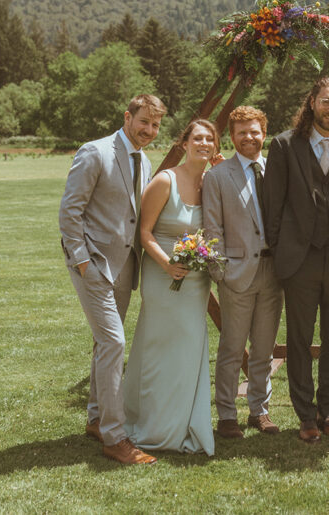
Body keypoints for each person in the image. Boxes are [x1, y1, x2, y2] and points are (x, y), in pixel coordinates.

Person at [59, 94, 166, 465]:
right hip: (95, 266)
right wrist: (83, 262)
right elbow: (70, 212)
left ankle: (95, 418)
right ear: (127, 116)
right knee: (114, 343)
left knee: (103, 345)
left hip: (126, 268)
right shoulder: (96, 152)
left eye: (155, 126)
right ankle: (115, 437)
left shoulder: (145, 161)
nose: (149, 131)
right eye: (144, 122)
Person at [263, 76, 329, 443]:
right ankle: (306, 416)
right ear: (312, 102)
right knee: (300, 340)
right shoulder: (284, 145)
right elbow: (272, 206)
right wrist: (281, 251)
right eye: (326, 101)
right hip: (300, 260)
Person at [121, 119, 220, 456]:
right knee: (159, 348)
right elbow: (144, 232)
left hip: (196, 283)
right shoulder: (165, 181)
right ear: (184, 143)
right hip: (161, 276)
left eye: (210, 139)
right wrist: (167, 264)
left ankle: (186, 424)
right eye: (198, 138)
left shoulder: (211, 182)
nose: (204, 144)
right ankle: (151, 424)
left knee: (190, 350)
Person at [202, 106, 283, 439]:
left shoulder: (277, 169)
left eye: (255, 131)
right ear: (232, 137)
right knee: (232, 349)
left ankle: (259, 411)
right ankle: (226, 415)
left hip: (273, 272)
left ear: (264, 132)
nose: (249, 137)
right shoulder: (218, 176)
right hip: (236, 273)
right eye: (241, 132)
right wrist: (221, 272)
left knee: (264, 349)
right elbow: (212, 227)